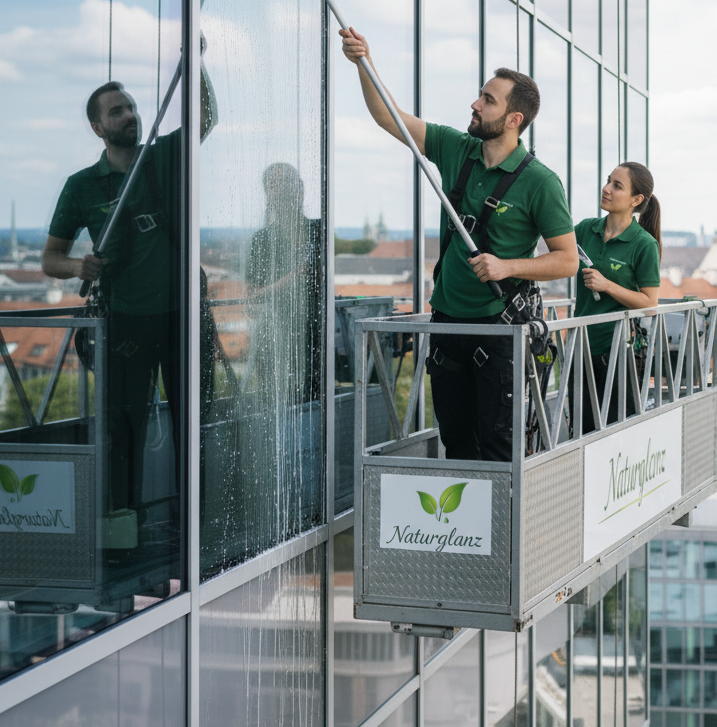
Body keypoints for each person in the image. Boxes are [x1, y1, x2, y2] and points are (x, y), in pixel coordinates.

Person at [339, 26, 578, 461]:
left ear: (513, 120)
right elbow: (388, 117)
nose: (475, 103)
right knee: (456, 443)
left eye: (488, 99)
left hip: (497, 328)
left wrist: (508, 267)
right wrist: (363, 64)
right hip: (448, 324)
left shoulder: (540, 183)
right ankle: (465, 529)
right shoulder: (456, 148)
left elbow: (567, 262)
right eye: (479, 94)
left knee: (498, 447)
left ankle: (501, 529)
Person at [41, 73, 216, 532]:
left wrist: (195, 65)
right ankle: (125, 527)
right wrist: (79, 267)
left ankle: (192, 526)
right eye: (117, 111)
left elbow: (207, 116)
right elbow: (51, 259)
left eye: (133, 107)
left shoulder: (162, 159)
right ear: (98, 128)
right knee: (123, 431)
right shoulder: (82, 187)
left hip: (181, 317)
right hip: (126, 322)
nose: (131, 115)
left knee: (192, 423)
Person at [574, 162, 662, 433]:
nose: (606, 189)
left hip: (617, 353)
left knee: (614, 436)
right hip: (580, 348)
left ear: (636, 200)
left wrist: (607, 285)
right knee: (581, 432)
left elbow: (649, 304)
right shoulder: (585, 230)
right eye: (608, 181)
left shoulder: (644, 244)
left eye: (617, 185)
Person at [246, 162, 322, 405]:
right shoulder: (263, 240)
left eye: (286, 181)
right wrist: (290, 279)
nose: (280, 189)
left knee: (314, 399)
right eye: (273, 184)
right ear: (267, 194)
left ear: (299, 188)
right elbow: (253, 295)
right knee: (281, 401)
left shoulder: (318, 230)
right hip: (278, 335)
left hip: (316, 332)